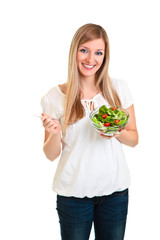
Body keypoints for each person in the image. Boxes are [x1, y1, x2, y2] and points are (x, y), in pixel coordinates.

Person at [40, 23, 138, 240]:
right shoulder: (54, 97)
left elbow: (134, 138)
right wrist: (55, 132)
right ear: (74, 51)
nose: (90, 59)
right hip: (73, 197)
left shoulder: (118, 89)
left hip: (115, 195)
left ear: (105, 56)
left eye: (98, 52)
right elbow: (50, 154)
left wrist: (115, 132)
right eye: (84, 50)